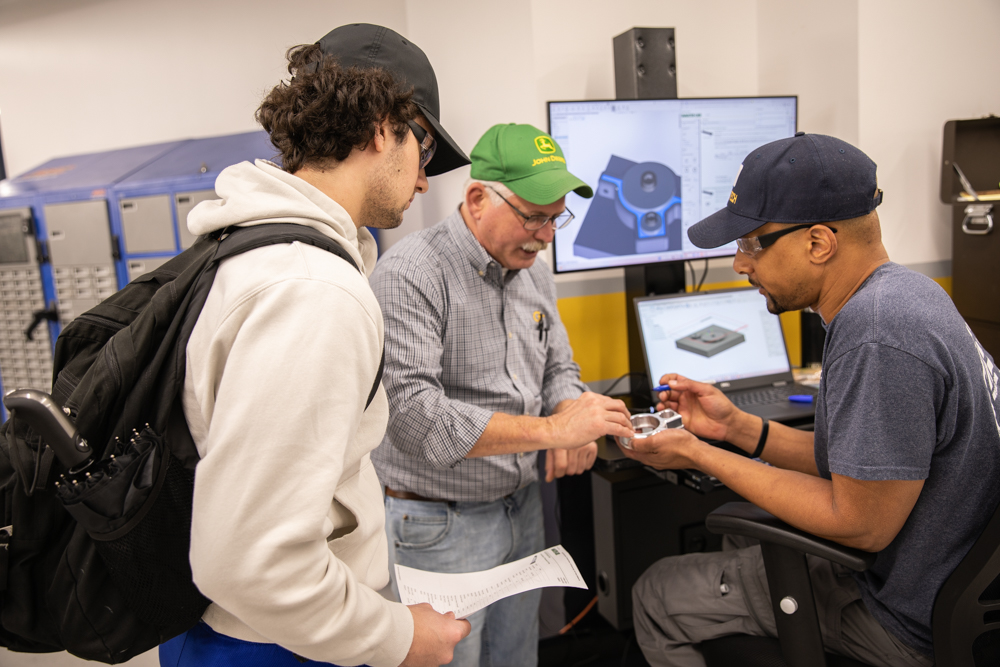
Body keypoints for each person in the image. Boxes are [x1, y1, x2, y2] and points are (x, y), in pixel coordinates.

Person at [158, 24, 473, 667]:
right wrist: (399, 637)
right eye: (427, 148)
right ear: (384, 127)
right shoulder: (312, 288)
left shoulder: (249, 248)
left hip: (242, 629)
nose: (422, 182)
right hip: (272, 644)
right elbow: (252, 560)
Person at [626, 132, 1000, 667]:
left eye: (752, 244)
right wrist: (737, 429)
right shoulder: (911, 295)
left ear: (819, 243)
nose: (739, 263)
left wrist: (697, 453)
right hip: (940, 591)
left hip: (900, 622)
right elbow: (864, 469)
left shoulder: (876, 334)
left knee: (658, 590)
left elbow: (860, 520)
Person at [370, 123, 634, 666]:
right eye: (534, 215)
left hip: (521, 509)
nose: (546, 235)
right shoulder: (411, 272)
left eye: (556, 217)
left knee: (515, 657)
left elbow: (558, 364)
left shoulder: (532, 271)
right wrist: (556, 430)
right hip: (439, 523)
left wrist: (568, 403)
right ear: (476, 198)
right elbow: (416, 420)